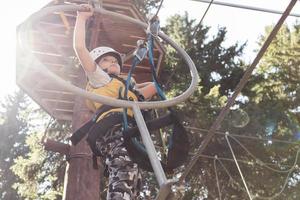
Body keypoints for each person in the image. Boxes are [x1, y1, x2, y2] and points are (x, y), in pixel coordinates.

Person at [73, 4, 157, 200]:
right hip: (115, 129)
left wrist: (134, 84)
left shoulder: (125, 90)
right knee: (123, 167)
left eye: (115, 61)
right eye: (106, 60)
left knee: (134, 178)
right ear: (97, 65)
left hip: (131, 130)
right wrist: (82, 18)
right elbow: (79, 48)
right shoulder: (99, 79)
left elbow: (153, 88)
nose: (112, 63)